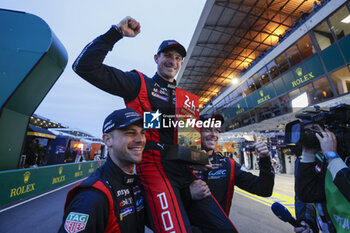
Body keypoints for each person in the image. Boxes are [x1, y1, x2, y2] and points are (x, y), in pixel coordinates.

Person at [73, 16, 237, 233]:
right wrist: (116, 33)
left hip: (184, 173)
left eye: (178, 57)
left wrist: (197, 158)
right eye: (167, 55)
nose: (172, 61)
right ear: (156, 58)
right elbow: (84, 67)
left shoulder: (186, 99)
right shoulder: (139, 83)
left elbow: (189, 141)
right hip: (154, 169)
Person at [58, 108, 146, 233]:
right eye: (130, 133)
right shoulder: (91, 197)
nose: (140, 140)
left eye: (142, 132)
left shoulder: (137, 184)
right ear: (108, 140)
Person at [191, 113, 275, 216]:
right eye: (208, 129)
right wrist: (188, 193)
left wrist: (264, 158)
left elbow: (264, 189)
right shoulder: (182, 162)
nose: (214, 135)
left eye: (217, 130)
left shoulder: (228, 165)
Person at [295, 123, 350, 233]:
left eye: (315, 130)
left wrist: (332, 156)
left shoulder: (332, 158)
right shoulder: (315, 159)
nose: (312, 135)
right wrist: (308, 222)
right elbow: (308, 195)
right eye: (306, 132)